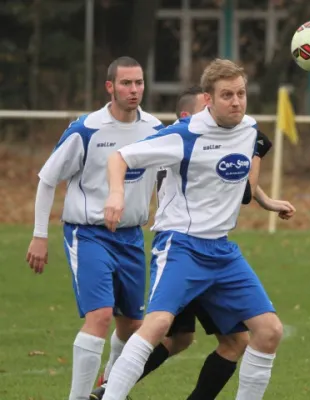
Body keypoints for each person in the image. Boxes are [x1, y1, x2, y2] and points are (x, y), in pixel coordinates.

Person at [90, 85, 294, 400]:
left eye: (241, 93)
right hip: (182, 249)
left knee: (256, 334)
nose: (235, 101)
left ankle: (106, 390)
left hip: (221, 253)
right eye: (226, 96)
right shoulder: (181, 136)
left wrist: (266, 200)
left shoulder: (244, 130)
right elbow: (120, 158)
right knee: (164, 331)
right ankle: (108, 393)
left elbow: (239, 181)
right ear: (200, 109)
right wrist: (116, 194)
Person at [25, 56, 164, 400]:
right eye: (126, 84)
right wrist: (39, 235)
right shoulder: (86, 129)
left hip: (131, 236)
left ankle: (108, 388)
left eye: (139, 83)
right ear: (110, 87)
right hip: (88, 234)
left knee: (132, 326)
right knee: (100, 315)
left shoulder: (156, 129)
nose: (134, 90)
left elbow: (168, 177)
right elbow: (47, 180)